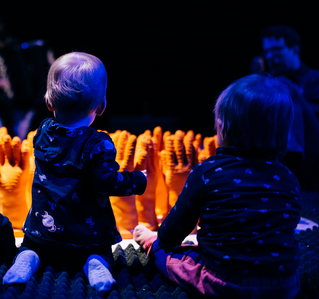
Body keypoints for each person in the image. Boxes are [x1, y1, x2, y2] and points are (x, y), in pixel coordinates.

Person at [134, 74, 301, 298]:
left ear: (222, 127)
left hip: (224, 283)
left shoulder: (208, 171)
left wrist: (157, 241)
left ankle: (149, 244)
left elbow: (173, 231)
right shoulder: (289, 179)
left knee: (166, 254)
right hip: (284, 286)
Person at [2, 52, 147, 292]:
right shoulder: (98, 144)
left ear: (49, 103)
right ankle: (96, 263)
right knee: (102, 252)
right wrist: (138, 180)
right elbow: (108, 182)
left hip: (42, 233)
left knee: (29, 246)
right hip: (86, 238)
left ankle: (27, 258)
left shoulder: (43, 133)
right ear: (101, 106)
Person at [257, 25, 319, 191]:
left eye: (277, 50)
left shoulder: (315, 78)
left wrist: (290, 90)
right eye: (267, 51)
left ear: (294, 50)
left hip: (311, 144)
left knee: (282, 86)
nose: (270, 56)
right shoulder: (270, 81)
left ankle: (291, 151)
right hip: (274, 142)